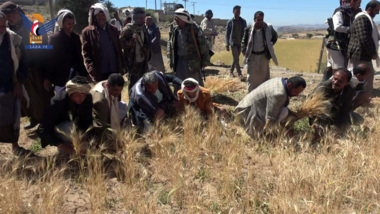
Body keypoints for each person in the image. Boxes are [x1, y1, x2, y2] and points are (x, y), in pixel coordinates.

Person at [1, 1, 53, 130]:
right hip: (20, 71)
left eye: (11, 15)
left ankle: (46, 124)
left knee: (41, 97)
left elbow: (46, 52)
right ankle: (34, 119)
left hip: (37, 69)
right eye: (7, 17)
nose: (9, 19)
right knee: (26, 98)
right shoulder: (7, 30)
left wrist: (47, 75)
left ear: (18, 12)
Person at [0, 12, 31, 156]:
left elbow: (23, 64)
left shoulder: (14, 39)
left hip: (11, 86)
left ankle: (15, 147)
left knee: (13, 118)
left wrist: (19, 83)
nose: (1, 29)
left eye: (3, 25)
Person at [38, 76, 93, 156]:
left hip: (77, 128)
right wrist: (65, 147)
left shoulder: (87, 98)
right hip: (61, 130)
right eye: (79, 95)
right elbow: (43, 129)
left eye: (84, 95)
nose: (82, 98)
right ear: (71, 93)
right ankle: (64, 149)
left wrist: (84, 138)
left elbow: (87, 119)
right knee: (69, 128)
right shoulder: (57, 102)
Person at [235, 76, 306, 135]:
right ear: (289, 85)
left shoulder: (281, 80)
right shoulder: (279, 94)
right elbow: (270, 119)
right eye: (296, 92)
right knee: (284, 112)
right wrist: (284, 131)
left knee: (285, 111)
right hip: (246, 113)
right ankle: (261, 131)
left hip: (244, 105)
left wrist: (292, 113)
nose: (297, 95)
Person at [168, 8, 210, 93]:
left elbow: (203, 45)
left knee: (195, 83)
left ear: (183, 19)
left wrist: (204, 61)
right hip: (179, 61)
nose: (175, 20)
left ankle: (199, 99)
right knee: (178, 83)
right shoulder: (175, 29)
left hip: (192, 62)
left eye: (177, 18)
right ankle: (180, 101)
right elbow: (172, 46)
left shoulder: (194, 28)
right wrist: (171, 61)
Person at [47, 9, 87, 93]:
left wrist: (84, 74)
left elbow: (79, 58)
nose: (71, 26)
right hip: (61, 77)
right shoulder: (54, 38)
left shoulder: (75, 37)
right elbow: (50, 60)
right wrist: (48, 78)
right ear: (62, 24)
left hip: (75, 76)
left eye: (72, 24)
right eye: (69, 24)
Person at [82, 3, 124, 82]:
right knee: (102, 93)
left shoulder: (113, 30)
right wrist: (90, 68)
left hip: (114, 68)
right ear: (95, 16)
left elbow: (119, 48)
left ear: (106, 16)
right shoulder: (88, 32)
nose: (101, 18)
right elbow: (86, 53)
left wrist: (123, 65)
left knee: (115, 92)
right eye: (98, 16)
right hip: (100, 71)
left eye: (103, 15)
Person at [347, 0, 380, 96]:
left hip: (362, 54)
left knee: (360, 76)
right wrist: (372, 52)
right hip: (359, 54)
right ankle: (362, 97)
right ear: (369, 9)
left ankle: (356, 96)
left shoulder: (368, 19)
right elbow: (364, 38)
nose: (378, 13)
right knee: (363, 76)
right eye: (376, 10)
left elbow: (372, 36)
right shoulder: (362, 18)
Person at [242, 11, 278, 93]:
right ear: (254, 19)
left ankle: (263, 94)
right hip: (252, 56)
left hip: (263, 56)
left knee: (264, 77)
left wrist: (270, 44)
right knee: (251, 78)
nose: (260, 22)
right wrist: (244, 51)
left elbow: (275, 37)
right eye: (258, 20)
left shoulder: (268, 28)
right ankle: (250, 96)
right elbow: (243, 42)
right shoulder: (248, 29)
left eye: (261, 19)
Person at [324, 0, 362, 78]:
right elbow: (337, 27)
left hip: (341, 43)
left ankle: (326, 84)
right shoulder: (340, 12)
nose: (359, 5)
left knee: (332, 66)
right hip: (334, 44)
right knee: (338, 67)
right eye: (358, 3)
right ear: (352, 2)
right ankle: (334, 85)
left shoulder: (351, 12)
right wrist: (351, 29)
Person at [120, 7, 151, 91]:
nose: (143, 20)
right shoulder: (127, 29)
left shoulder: (144, 28)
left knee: (144, 84)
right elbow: (122, 45)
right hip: (133, 63)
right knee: (133, 85)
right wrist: (132, 40)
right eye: (141, 18)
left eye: (144, 18)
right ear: (136, 18)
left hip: (143, 61)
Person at [91, 73, 127, 139]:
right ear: (108, 85)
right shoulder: (101, 101)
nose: (118, 93)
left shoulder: (109, 85)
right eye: (116, 90)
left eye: (120, 90)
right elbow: (101, 126)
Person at [225, 5, 247, 79]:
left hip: (240, 43)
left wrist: (245, 43)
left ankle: (231, 71)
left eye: (239, 11)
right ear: (233, 11)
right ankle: (239, 74)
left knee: (235, 58)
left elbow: (245, 33)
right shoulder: (230, 22)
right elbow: (227, 34)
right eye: (237, 11)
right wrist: (227, 44)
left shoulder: (243, 21)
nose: (238, 13)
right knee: (237, 58)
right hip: (233, 43)